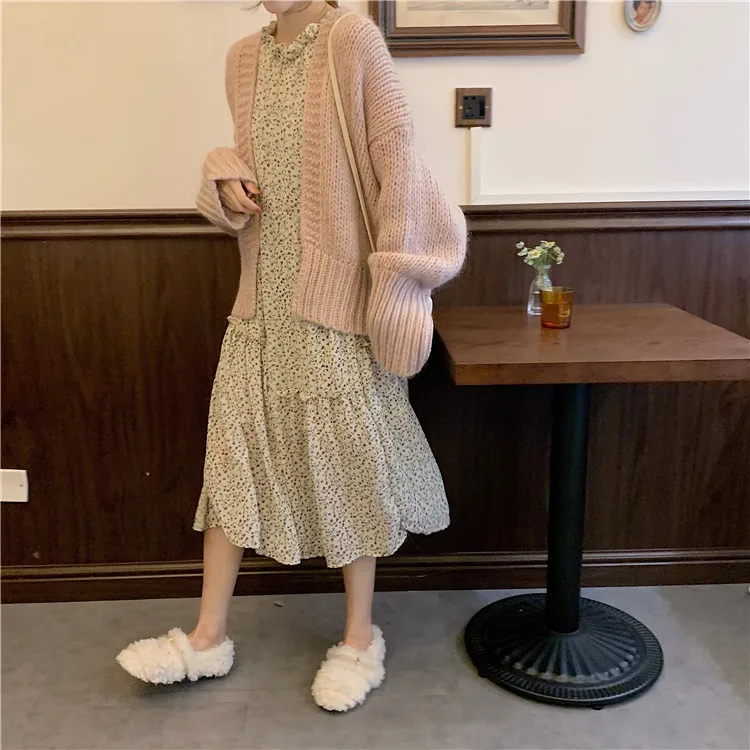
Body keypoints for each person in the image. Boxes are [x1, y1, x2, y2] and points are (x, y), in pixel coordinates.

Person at [116, 0, 466, 712]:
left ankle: (360, 639)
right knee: (232, 457)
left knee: (350, 465)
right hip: (259, 305)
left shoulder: (352, 39)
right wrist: (222, 177)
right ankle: (208, 636)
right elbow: (249, 183)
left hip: (338, 309)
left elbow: (397, 164)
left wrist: (394, 283)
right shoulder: (242, 58)